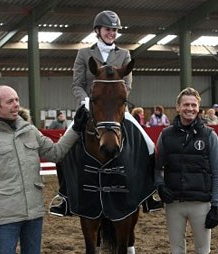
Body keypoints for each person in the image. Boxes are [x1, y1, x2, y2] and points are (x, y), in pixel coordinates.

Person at [0, 85, 88, 254]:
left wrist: (75, 128)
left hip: (34, 215)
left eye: (17, 100)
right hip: (6, 218)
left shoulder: (30, 131)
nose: (16, 104)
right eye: (10, 101)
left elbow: (56, 153)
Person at [52, 10, 155, 217]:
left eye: (115, 30)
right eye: (108, 29)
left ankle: (149, 195)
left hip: (115, 108)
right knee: (62, 148)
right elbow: (77, 84)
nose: (112, 33)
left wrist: (116, 102)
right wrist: (86, 102)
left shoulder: (124, 54)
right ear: (98, 30)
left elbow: (127, 85)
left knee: (149, 145)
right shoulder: (84, 54)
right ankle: (64, 197)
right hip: (90, 107)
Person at [155, 87, 218, 254]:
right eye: (186, 104)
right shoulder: (165, 135)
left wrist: (216, 205)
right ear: (178, 107)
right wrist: (160, 185)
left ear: (198, 108)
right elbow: (157, 167)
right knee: (177, 253)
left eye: (193, 105)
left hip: (201, 204)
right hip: (175, 204)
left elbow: (217, 172)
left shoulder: (210, 136)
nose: (189, 108)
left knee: (203, 253)